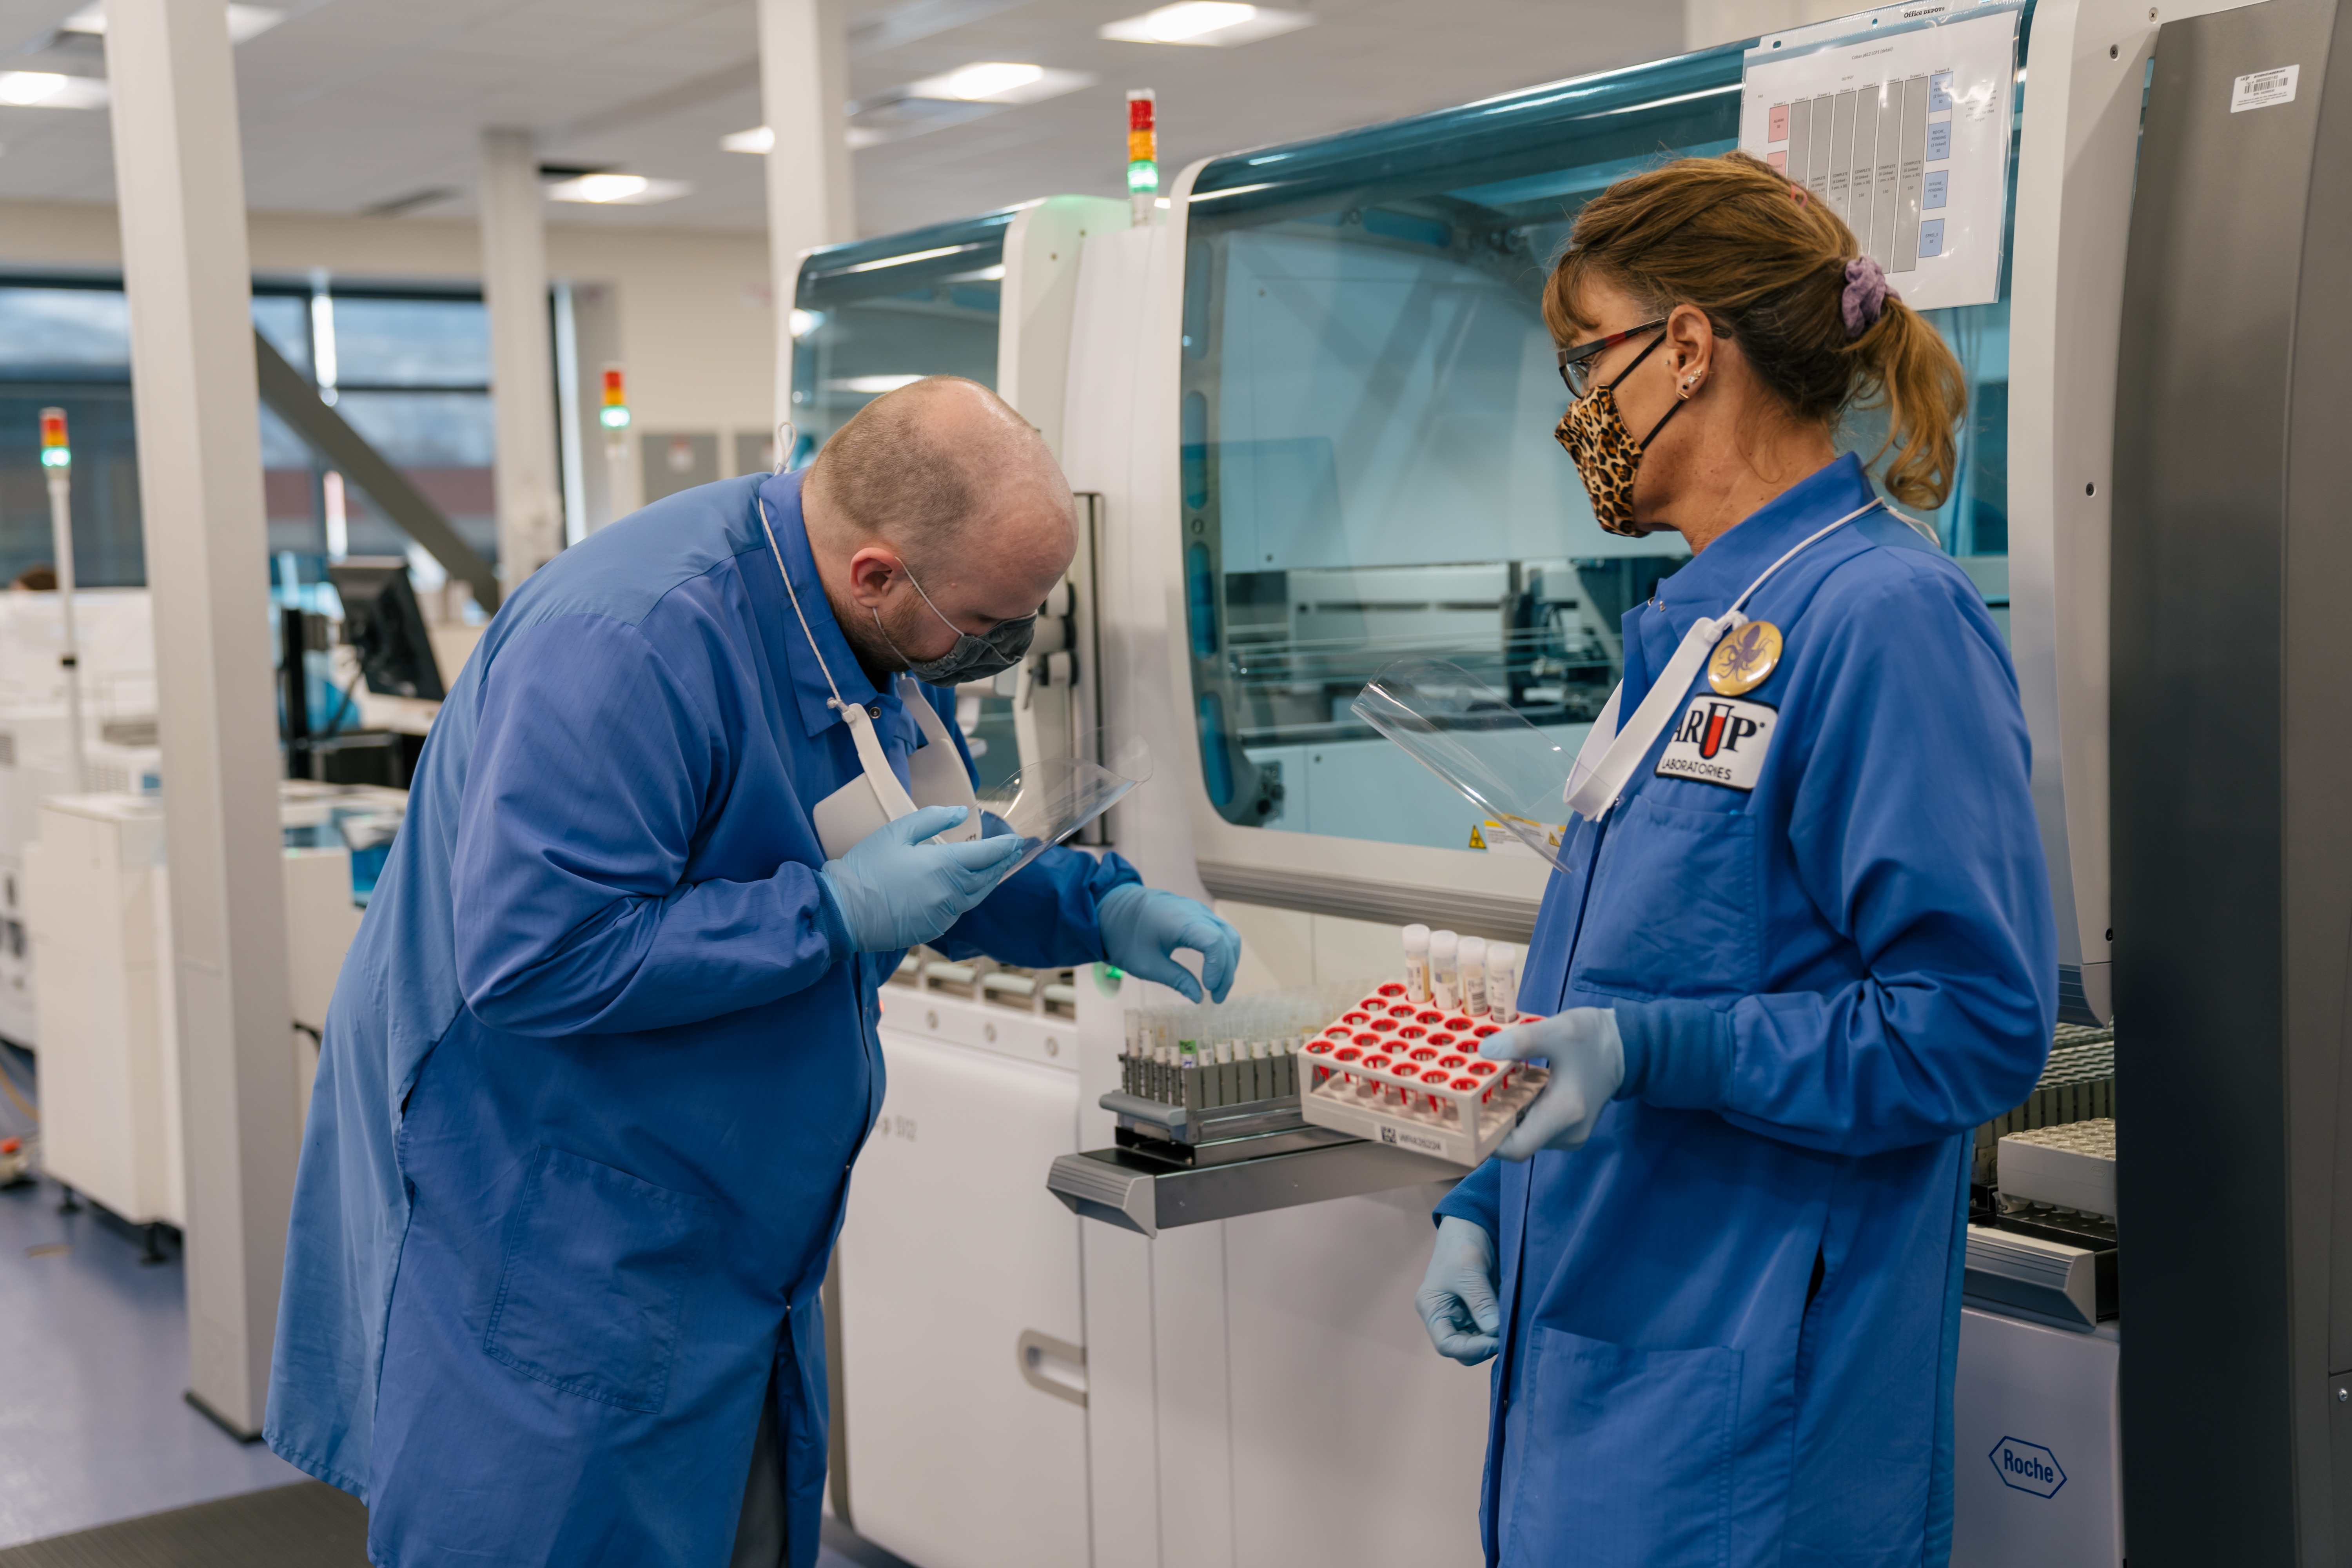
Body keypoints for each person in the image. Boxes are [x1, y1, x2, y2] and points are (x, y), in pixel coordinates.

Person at [265, 376, 1242, 1568]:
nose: (1003, 651)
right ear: (879, 572)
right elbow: (536, 959)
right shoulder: (628, 643)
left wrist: (1097, 909)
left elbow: (901, 843)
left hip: (729, 1224)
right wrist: (827, 914)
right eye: (989, 622)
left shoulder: (842, 626)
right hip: (563, 1217)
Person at [1413, 153, 2056, 1566]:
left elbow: (1973, 1026)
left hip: (1754, 1407)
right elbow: (1630, 959)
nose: (1576, 413)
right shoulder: (1701, 631)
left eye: (1587, 362)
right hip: (1593, 1350)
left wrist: (1653, 1055)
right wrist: (1483, 1203)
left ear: (1688, 350)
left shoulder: (1883, 621)